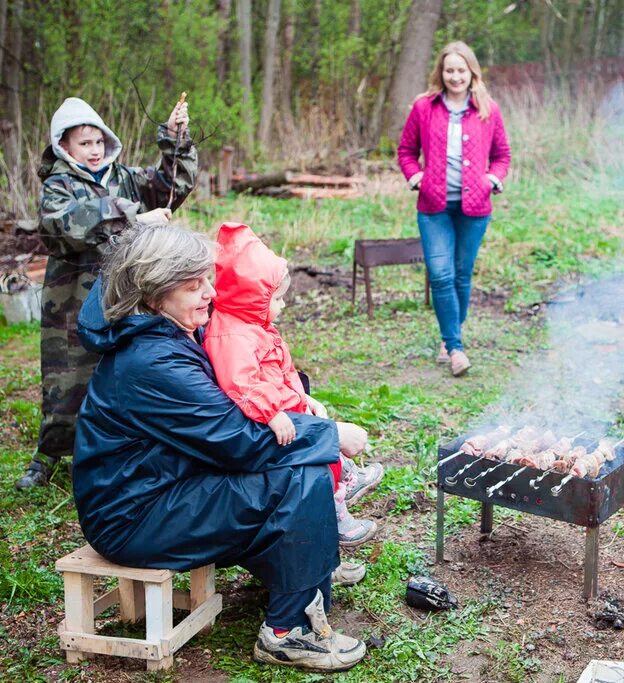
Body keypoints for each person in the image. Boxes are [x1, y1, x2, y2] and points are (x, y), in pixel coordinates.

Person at [73, 224, 368, 671]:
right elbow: (239, 442)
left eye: (207, 279)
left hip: (168, 483)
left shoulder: (163, 328)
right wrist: (331, 434)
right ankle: (290, 632)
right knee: (299, 472)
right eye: (194, 285)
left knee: (293, 463)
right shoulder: (152, 361)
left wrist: (293, 395)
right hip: (133, 515)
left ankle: (295, 576)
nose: (210, 292)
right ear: (154, 292)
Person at [17, 96, 197, 489]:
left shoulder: (125, 178)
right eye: (84, 143)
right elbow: (63, 224)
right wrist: (133, 216)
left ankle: (120, 446)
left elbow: (173, 185)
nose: (94, 150)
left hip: (125, 297)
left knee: (122, 369)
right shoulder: (58, 185)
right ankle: (49, 453)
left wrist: (175, 138)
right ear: (64, 147)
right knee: (68, 376)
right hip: (72, 298)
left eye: (99, 142)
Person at [203, 222, 382, 546]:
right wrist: (271, 413)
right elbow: (240, 384)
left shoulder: (253, 324)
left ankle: (346, 477)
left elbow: (283, 369)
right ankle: (336, 514)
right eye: (277, 299)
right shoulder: (232, 335)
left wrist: (302, 398)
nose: (282, 306)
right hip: (269, 418)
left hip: (284, 405)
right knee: (315, 459)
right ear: (252, 298)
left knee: (321, 432)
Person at [397, 41, 511, 377]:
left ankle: (450, 338)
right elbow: (405, 151)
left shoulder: (488, 109)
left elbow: (502, 155)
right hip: (434, 206)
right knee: (441, 273)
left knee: (461, 274)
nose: (455, 76)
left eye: (461, 70)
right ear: (441, 73)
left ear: (471, 72)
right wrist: (416, 177)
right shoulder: (424, 108)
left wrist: (492, 179)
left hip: (475, 208)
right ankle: (455, 347)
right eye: (449, 70)